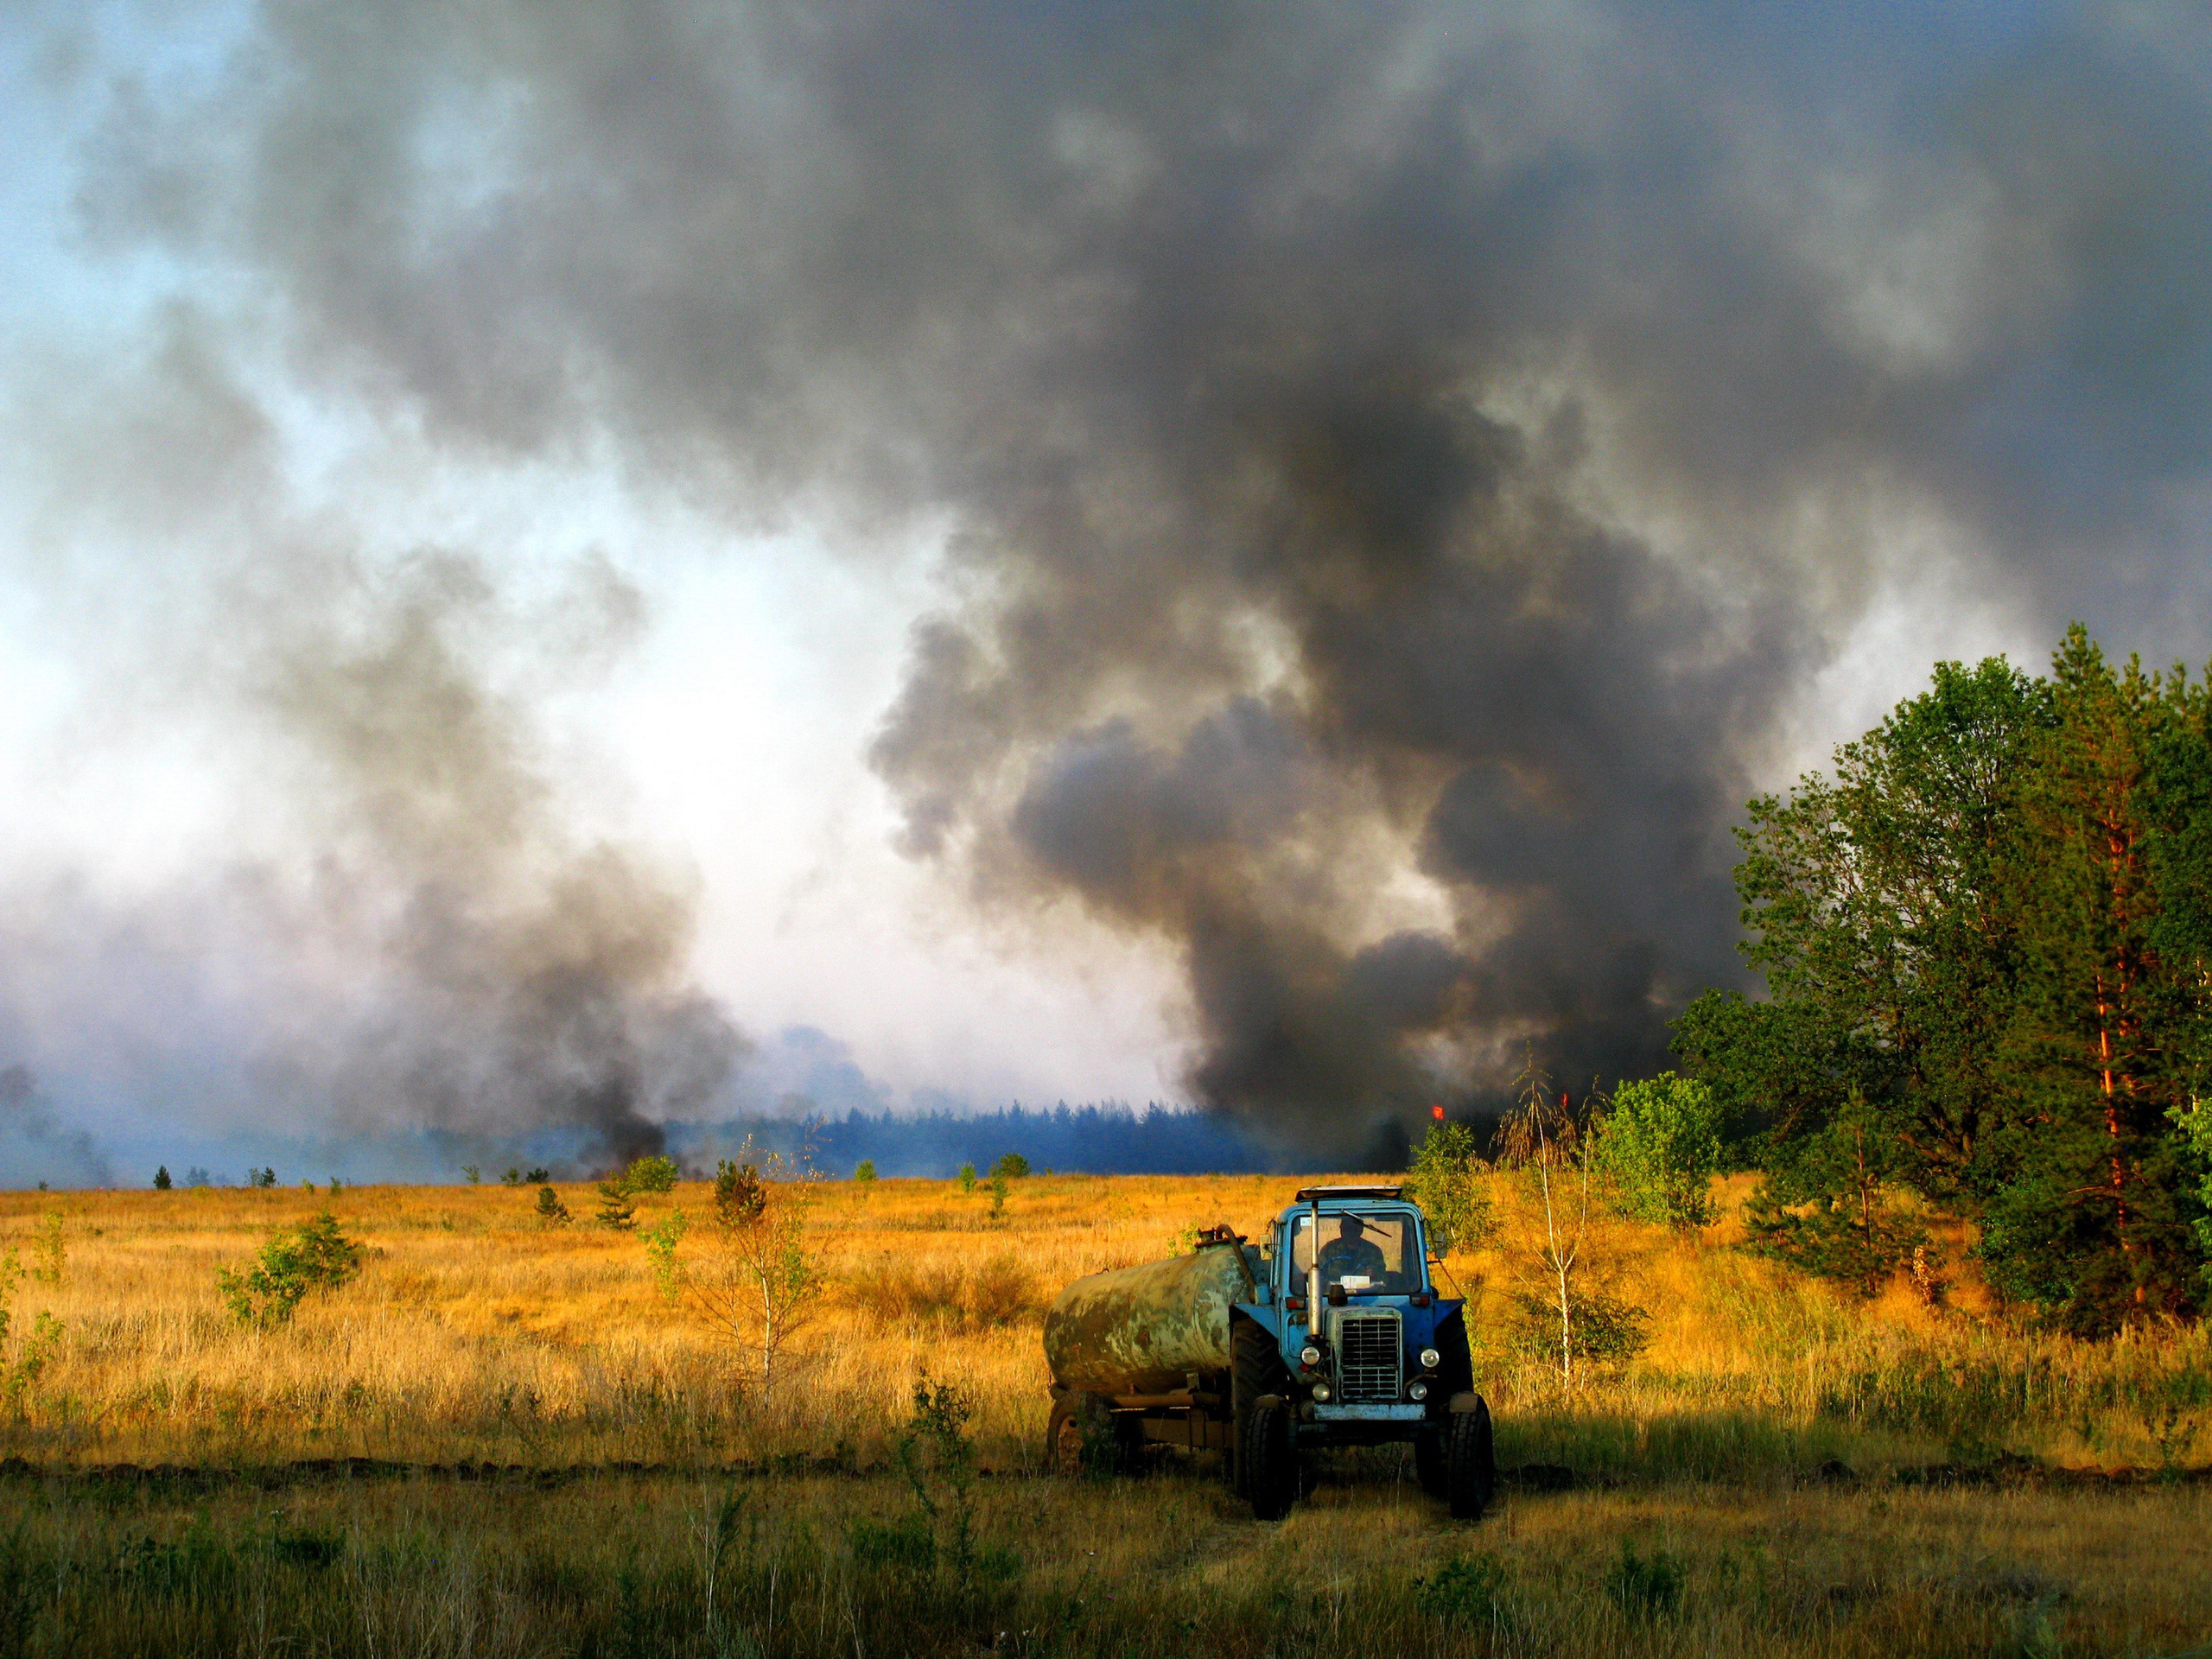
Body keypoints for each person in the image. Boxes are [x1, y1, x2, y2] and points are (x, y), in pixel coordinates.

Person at [1316, 1214, 1388, 1288]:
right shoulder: (1329, 1250)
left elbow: (1384, 1279)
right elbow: (1318, 1276)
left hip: (1365, 1296)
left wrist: (1374, 1275)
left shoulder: (1373, 1251)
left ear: (1360, 1230)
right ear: (1341, 1230)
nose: (1348, 1233)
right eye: (1345, 1229)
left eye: (1353, 1229)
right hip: (1334, 1296)